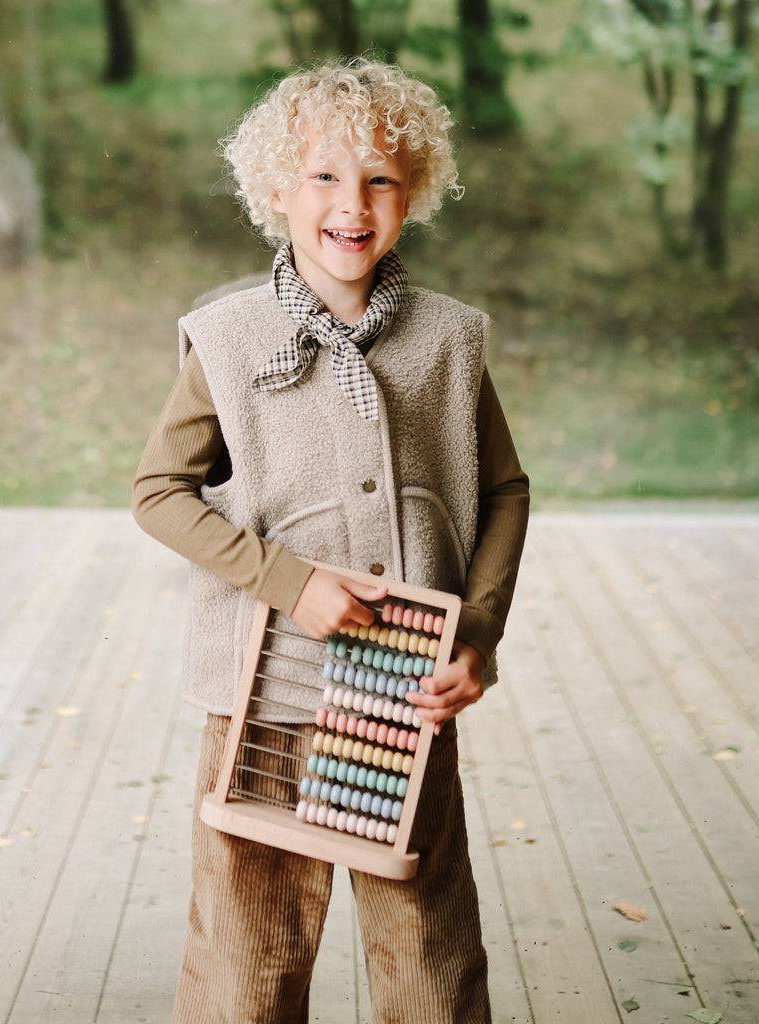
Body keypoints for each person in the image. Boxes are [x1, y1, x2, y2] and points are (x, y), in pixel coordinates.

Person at [132, 57, 530, 1024]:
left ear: (414, 193)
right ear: (275, 191)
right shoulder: (227, 340)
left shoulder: (449, 341)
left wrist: (477, 631)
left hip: (403, 701)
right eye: (323, 176)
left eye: (381, 180)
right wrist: (288, 581)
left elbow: (506, 490)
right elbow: (158, 493)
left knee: (431, 967)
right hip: (257, 705)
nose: (351, 204)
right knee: (246, 967)